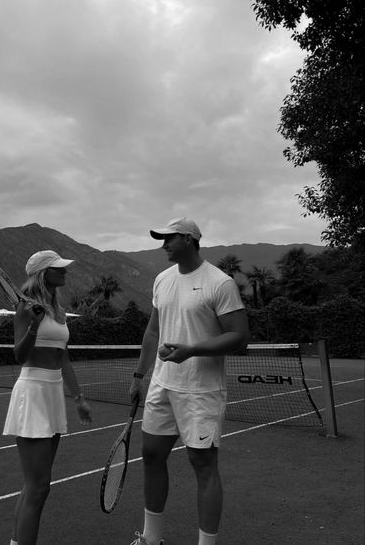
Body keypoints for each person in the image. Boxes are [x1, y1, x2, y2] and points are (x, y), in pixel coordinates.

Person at [129, 217, 250, 545]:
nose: (163, 244)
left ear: (189, 239)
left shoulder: (219, 282)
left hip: (201, 390)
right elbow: (153, 330)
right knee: (152, 456)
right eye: (161, 239)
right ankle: (151, 539)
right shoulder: (162, 279)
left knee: (203, 465)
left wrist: (192, 350)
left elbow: (240, 336)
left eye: (169, 238)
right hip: (161, 384)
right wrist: (140, 376)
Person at [3, 250, 92, 545]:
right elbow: (19, 355)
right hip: (32, 392)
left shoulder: (57, 308)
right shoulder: (26, 309)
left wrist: (78, 397)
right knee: (39, 487)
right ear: (43, 273)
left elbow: (63, 356)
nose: (65, 272)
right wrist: (32, 327)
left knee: (35, 486)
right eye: (58, 269)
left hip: (53, 394)